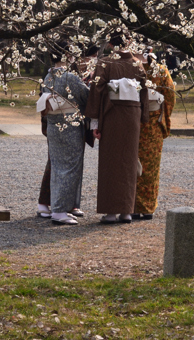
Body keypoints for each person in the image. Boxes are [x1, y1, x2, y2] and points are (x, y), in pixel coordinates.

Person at [83, 44, 150, 224]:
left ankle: (111, 212)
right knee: (128, 161)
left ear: (112, 45)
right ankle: (126, 211)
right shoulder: (137, 63)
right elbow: (145, 90)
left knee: (110, 162)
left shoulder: (105, 63)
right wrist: (143, 116)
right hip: (132, 116)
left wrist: (94, 122)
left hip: (111, 114)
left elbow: (96, 90)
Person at [37, 46, 90, 225]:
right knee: (69, 167)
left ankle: (60, 207)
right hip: (69, 127)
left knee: (58, 167)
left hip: (53, 126)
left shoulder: (48, 76)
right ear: (67, 55)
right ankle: (59, 211)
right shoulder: (69, 77)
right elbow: (86, 96)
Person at [132, 54, 175, 219]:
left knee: (138, 164)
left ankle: (135, 206)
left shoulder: (131, 68)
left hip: (135, 120)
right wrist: (164, 118)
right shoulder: (161, 70)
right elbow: (170, 96)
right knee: (149, 166)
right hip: (153, 121)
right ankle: (147, 207)